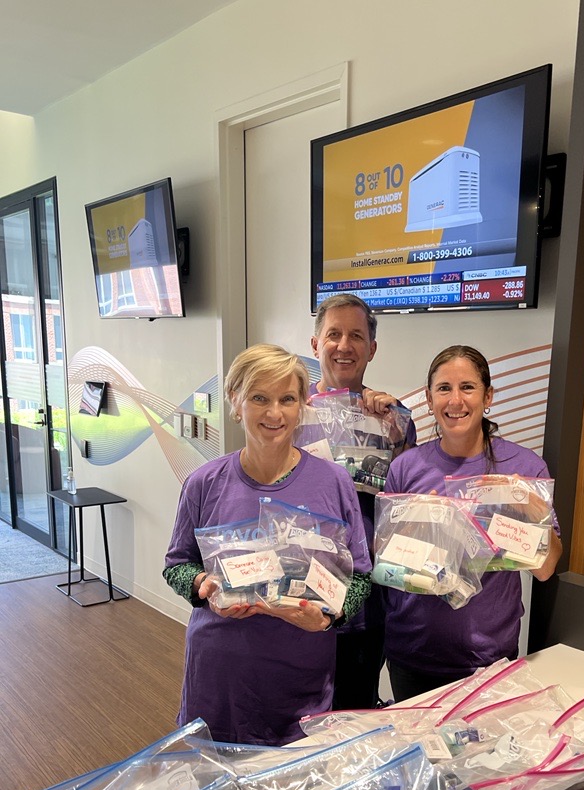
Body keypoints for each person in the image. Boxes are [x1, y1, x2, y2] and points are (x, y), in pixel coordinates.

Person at [163, 344, 371, 745]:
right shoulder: (204, 483)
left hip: (300, 673)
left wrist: (331, 617)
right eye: (259, 398)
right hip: (219, 674)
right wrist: (202, 585)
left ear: (302, 405)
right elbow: (177, 565)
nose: (274, 413)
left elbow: (359, 576)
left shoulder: (334, 482)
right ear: (236, 403)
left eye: (287, 399)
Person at [382, 344, 563, 702]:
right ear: (429, 398)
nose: (455, 401)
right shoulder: (406, 468)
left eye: (467, 387)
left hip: (489, 659)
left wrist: (526, 503)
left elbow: (547, 568)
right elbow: (387, 567)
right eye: (444, 388)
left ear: (488, 396)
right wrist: (417, 526)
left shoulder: (524, 468)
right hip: (412, 654)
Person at [310, 293, 416, 710]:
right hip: (297, 589)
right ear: (315, 344)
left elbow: (404, 507)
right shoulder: (289, 410)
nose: (344, 345)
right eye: (333, 334)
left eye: (356, 335)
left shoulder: (393, 420)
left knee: (355, 711)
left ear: (372, 349)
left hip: (365, 603)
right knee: (295, 714)